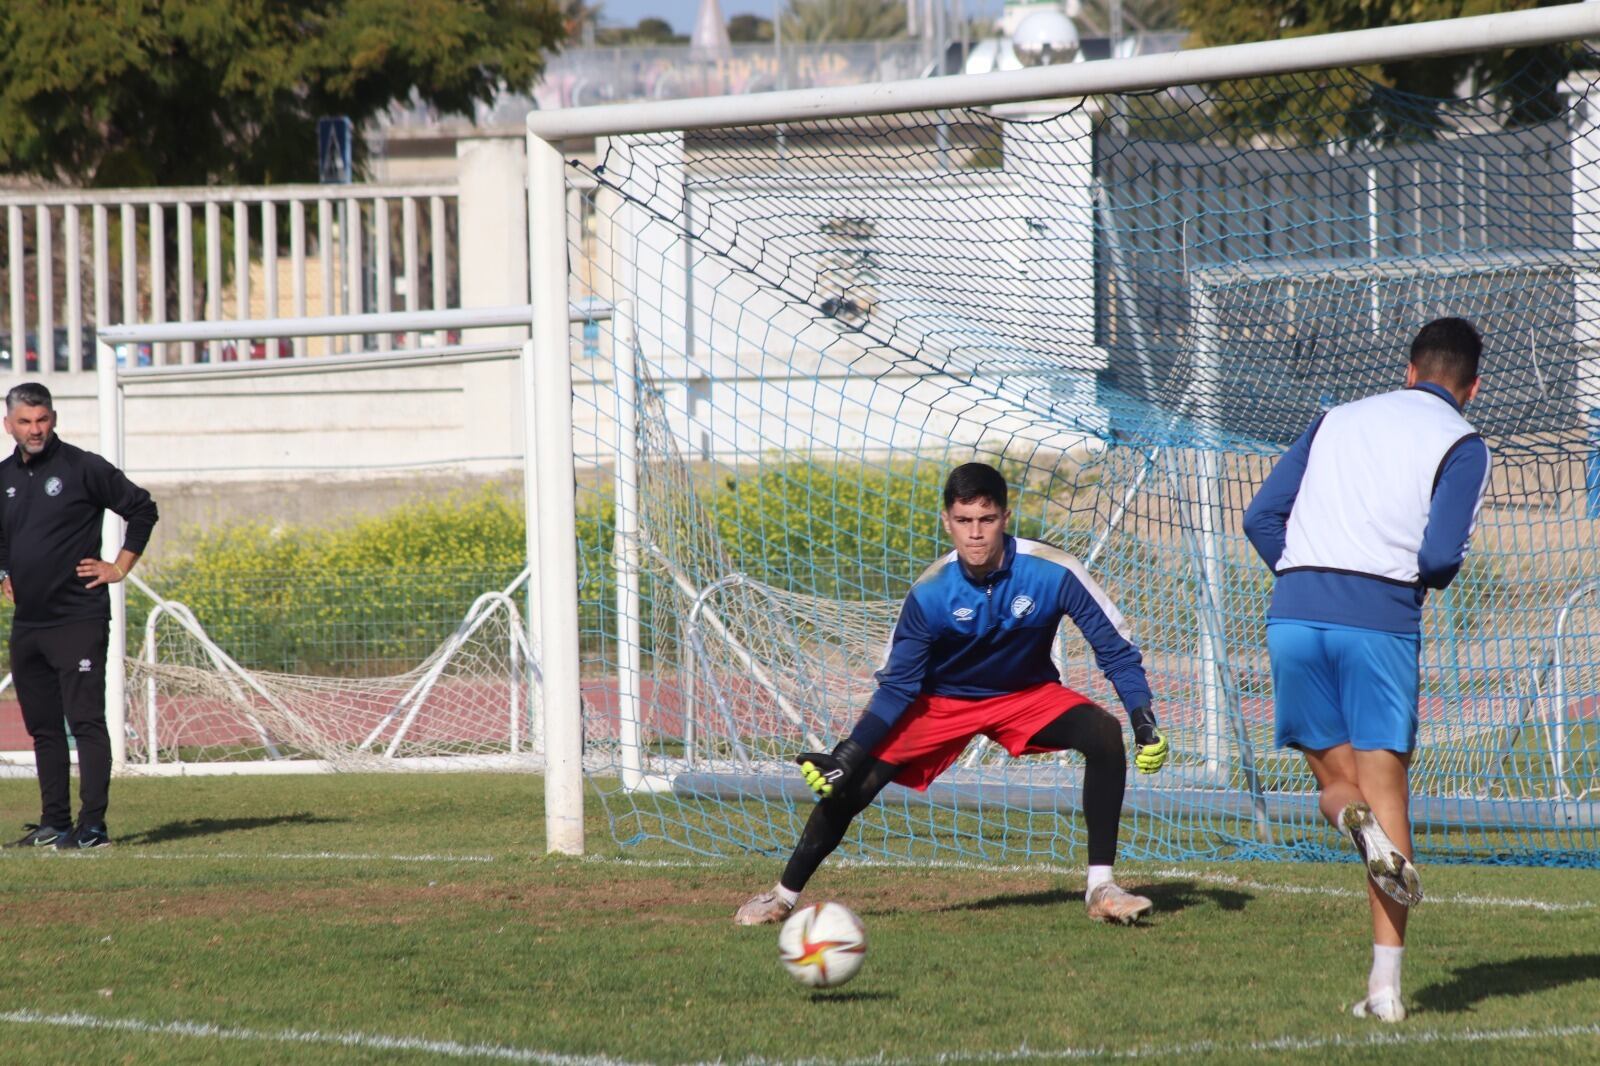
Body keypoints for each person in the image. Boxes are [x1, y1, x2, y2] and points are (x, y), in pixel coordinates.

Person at [735, 461, 1168, 927]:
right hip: (941, 701)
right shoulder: (930, 592)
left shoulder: (1054, 572)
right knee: (854, 784)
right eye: (964, 521)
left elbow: (1116, 651)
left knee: (1103, 733)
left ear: (1005, 517)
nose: (975, 533)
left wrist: (1143, 720)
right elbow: (898, 687)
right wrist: (847, 753)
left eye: (986, 519)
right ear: (947, 522)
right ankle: (781, 896)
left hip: (1026, 695)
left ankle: (1101, 888)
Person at [1243, 318, 1490, 1023]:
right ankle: (1384, 990)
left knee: (1338, 786)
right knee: (1388, 795)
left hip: (1293, 613)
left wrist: (1301, 580)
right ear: (1471, 387)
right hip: (1376, 618)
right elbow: (1441, 558)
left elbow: (1262, 517)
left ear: (1408, 370)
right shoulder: (1463, 444)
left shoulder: (1334, 418)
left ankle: (1352, 821)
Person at [0, 382, 158, 850]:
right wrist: (4, 571)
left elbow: (142, 508)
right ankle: (54, 824)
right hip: (29, 623)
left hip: (78, 617)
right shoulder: (3, 477)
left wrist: (119, 567)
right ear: (9, 424)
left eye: (42, 419)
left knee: (85, 721)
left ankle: (92, 827)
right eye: (26, 421)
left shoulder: (82, 467)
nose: (35, 429)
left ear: (54, 419)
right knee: (43, 728)